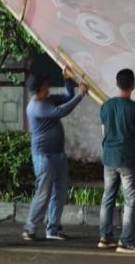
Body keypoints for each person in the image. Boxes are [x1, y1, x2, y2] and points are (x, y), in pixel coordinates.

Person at [22, 67, 88, 241]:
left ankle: (53, 229)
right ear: (38, 89)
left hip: (58, 155)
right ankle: (30, 228)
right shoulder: (36, 106)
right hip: (44, 157)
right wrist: (81, 95)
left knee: (59, 192)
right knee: (43, 193)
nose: (49, 88)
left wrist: (67, 80)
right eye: (46, 86)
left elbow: (67, 97)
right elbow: (63, 111)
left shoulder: (48, 99)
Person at [98, 69, 135, 254]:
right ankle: (126, 241)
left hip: (109, 157)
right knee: (131, 199)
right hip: (128, 158)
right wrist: (133, 134)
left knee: (108, 196)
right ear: (133, 85)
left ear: (117, 83)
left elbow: (104, 132)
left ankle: (105, 237)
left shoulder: (105, 106)